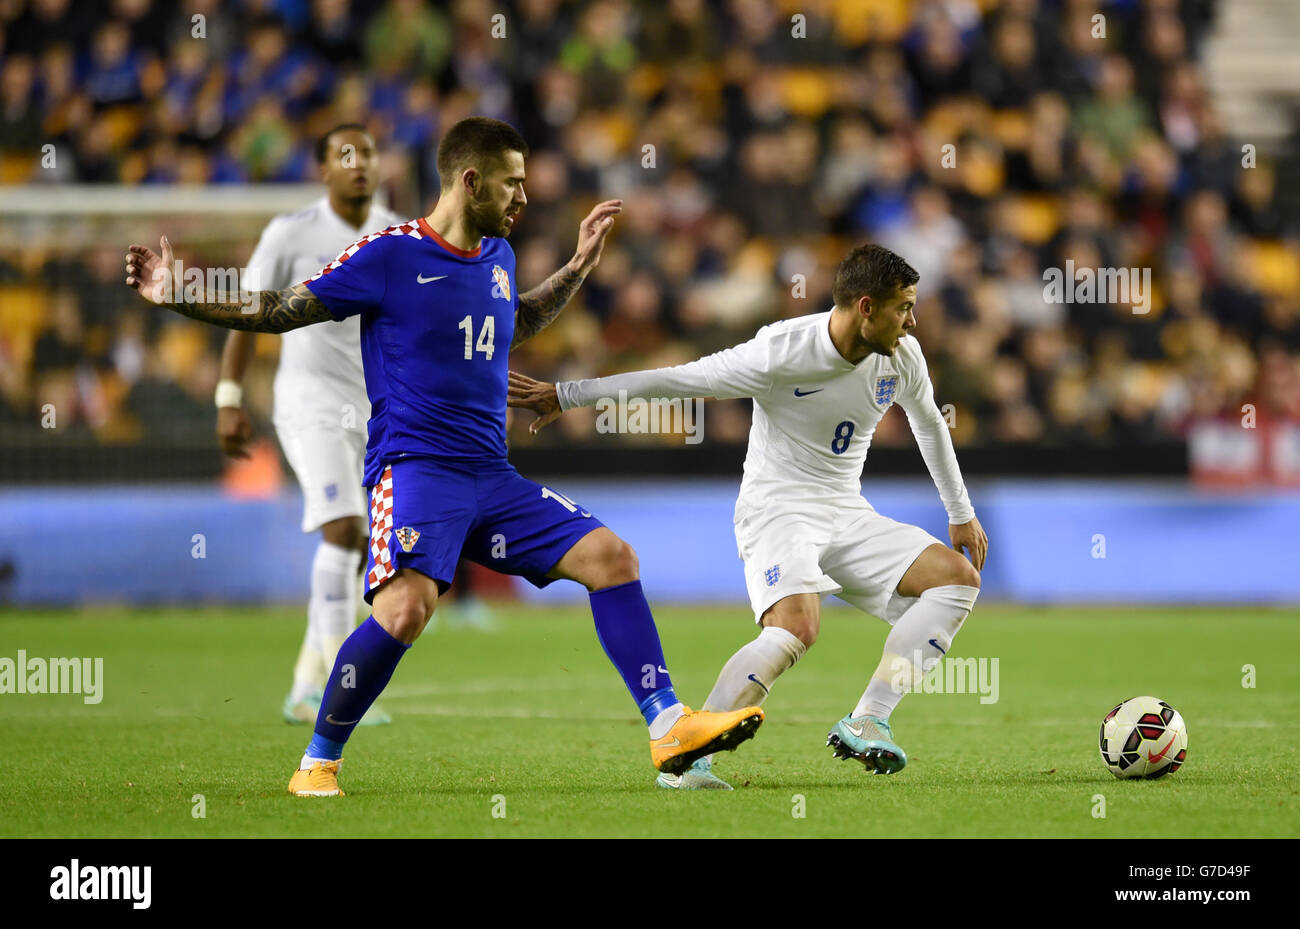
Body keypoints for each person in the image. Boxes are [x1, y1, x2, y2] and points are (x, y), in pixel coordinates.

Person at [124, 116, 763, 797]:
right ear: (470, 180)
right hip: (417, 471)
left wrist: (576, 270)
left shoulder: (499, 255)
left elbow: (513, 319)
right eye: (512, 183)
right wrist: (182, 293)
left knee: (613, 558)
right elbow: (283, 307)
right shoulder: (390, 255)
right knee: (404, 612)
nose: (524, 197)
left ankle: (668, 727)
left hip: (493, 476)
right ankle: (317, 762)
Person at [509, 244, 987, 789]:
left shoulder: (903, 357)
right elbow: (678, 380)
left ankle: (868, 720)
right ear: (866, 307)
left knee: (957, 581)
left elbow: (929, 424)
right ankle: (687, 754)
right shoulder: (782, 352)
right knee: (798, 628)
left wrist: (960, 512)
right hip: (778, 509)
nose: (912, 320)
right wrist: (567, 395)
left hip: (845, 509)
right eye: (903, 307)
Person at [216, 124, 399, 726]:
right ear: (322, 169)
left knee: (358, 548)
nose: (359, 164)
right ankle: (341, 691)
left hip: (375, 408)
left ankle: (304, 687)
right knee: (344, 530)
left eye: (367, 153)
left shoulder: (397, 234)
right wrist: (228, 397)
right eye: (344, 155)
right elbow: (249, 311)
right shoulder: (290, 233)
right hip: (308, 400)